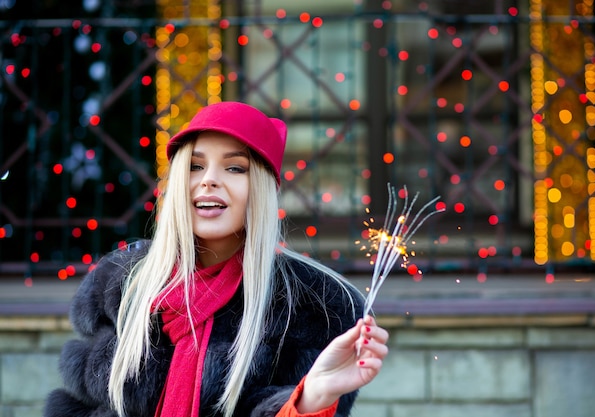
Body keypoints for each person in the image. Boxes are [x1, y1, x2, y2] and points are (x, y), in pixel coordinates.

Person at [44, 101, 389, 417]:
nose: (209, 180)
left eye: (235, 168)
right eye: (195, 166)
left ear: (262, 188)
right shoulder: (122, 281)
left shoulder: (317, 306)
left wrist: (312, 396)